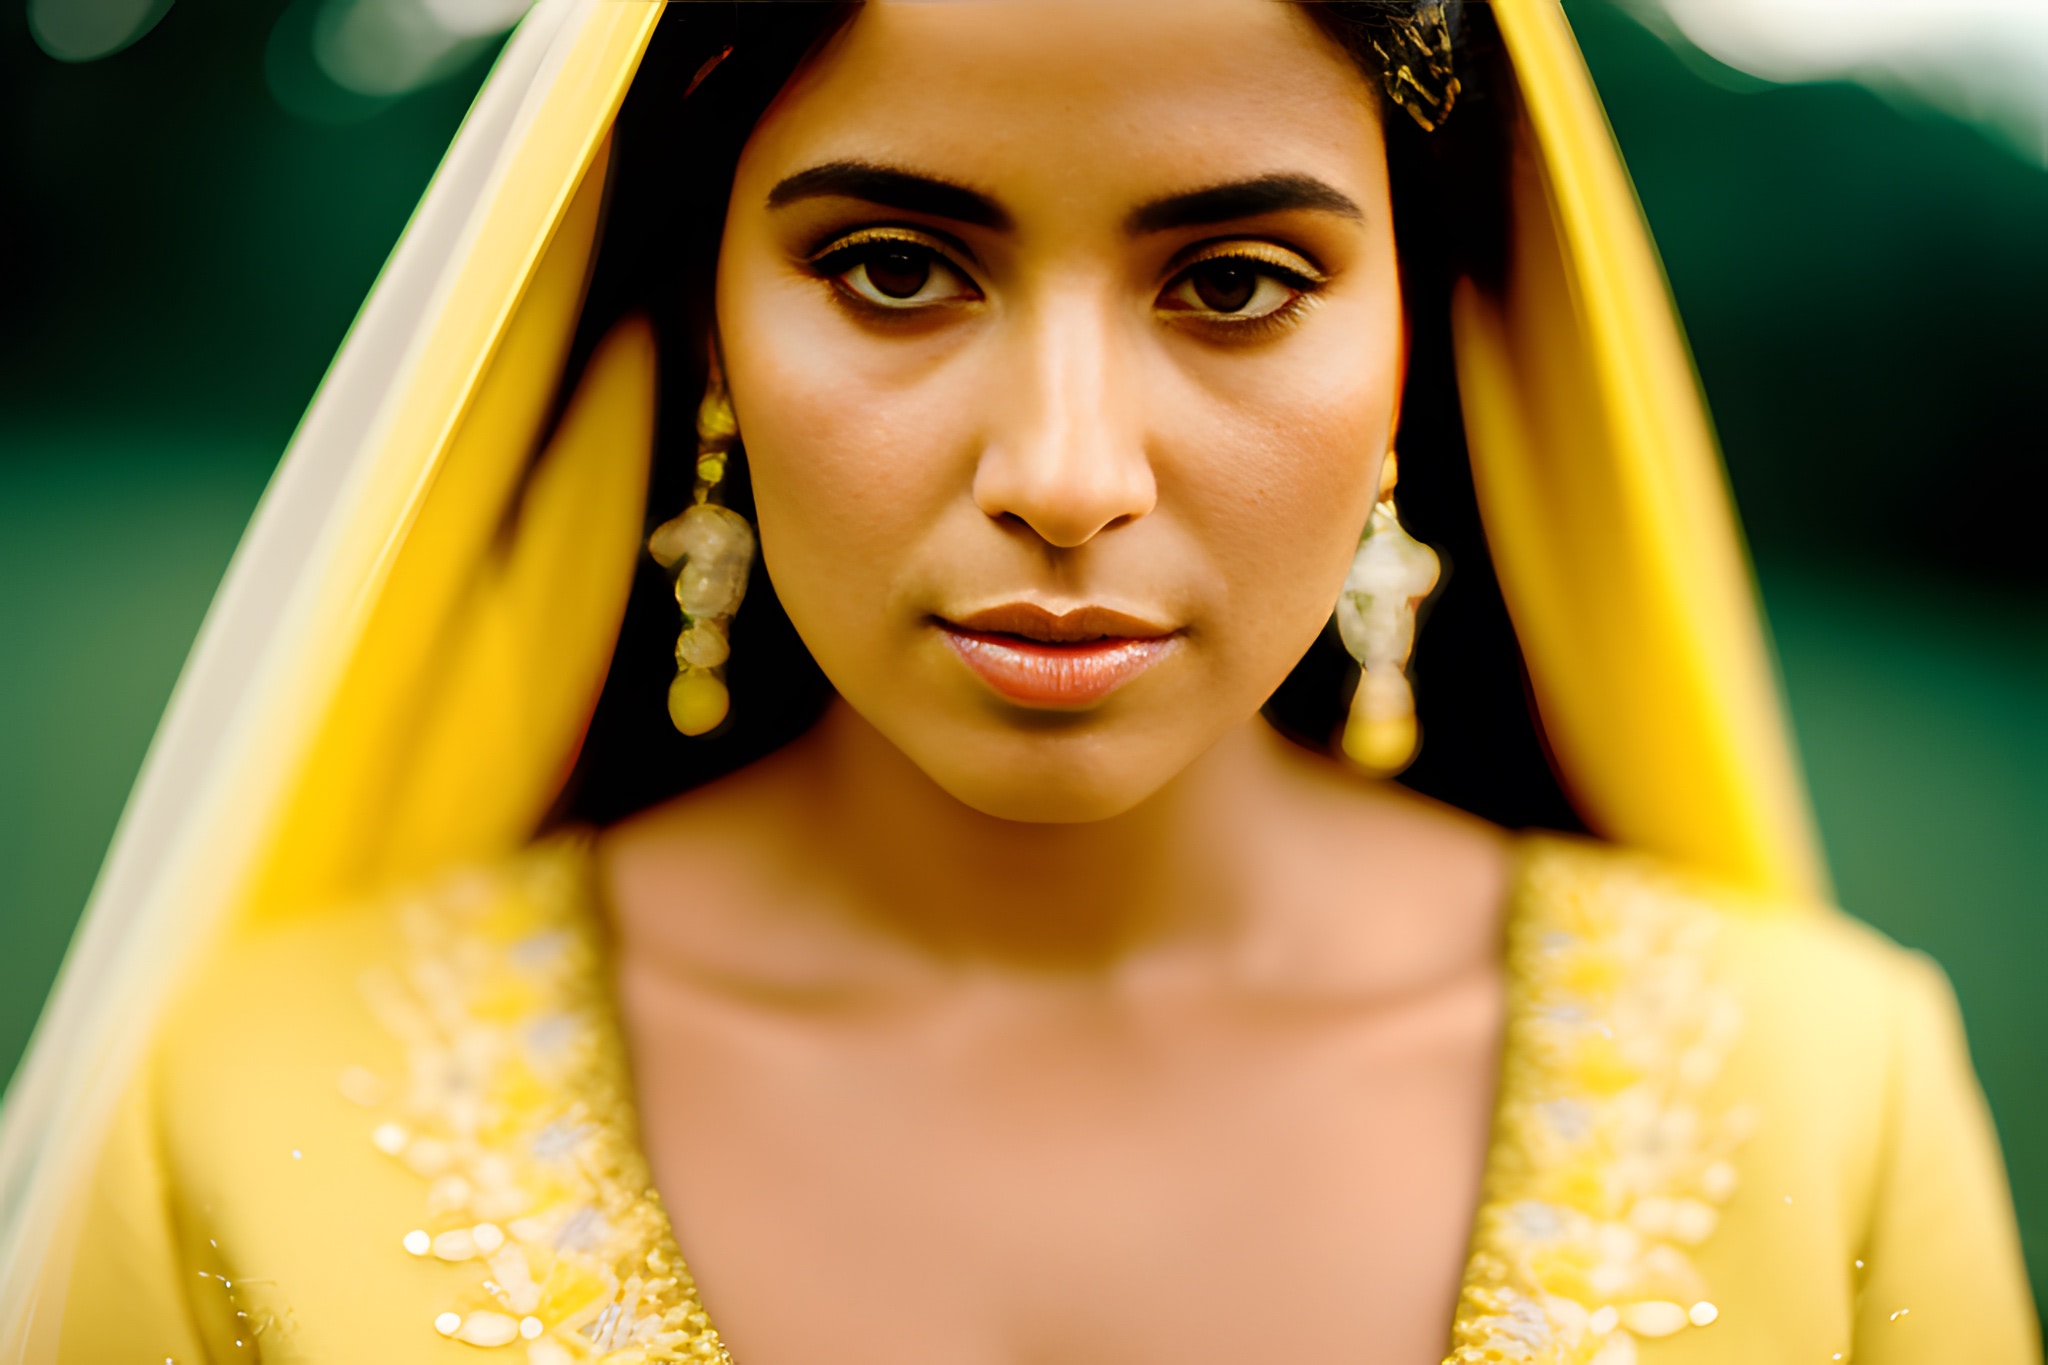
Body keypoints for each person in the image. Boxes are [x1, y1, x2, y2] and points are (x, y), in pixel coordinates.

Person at [0, 2, 2035, 1362]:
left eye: (1235, 283)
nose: (1065, 471)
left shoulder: (1827, 1096)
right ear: (703, 320)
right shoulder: (255, 1111)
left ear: (1428, 333)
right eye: (894, 266)